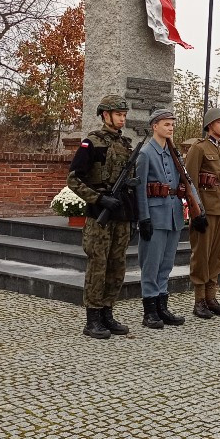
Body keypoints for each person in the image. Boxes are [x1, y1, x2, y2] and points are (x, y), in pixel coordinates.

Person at [68, 95, 138, 339]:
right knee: (98, 265)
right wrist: (98, 198)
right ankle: (93, 318)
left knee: (117, 265)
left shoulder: (127, 144)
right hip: (100, 214)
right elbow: (73, 179)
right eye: (118, 114)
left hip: (121, 214)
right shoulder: (92, 143)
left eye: (124, 115)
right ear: (105, 115)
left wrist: (135, 216)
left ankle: (108, 312)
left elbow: (131, 185)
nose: (122, 118)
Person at [134, 109, 205, 329]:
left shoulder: (173, 153)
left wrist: (199, 210)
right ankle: (150, 310)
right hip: (154, 215)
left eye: (172, 124)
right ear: (154, 126)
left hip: (173, 214)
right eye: (166, 124)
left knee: (166, 263)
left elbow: (188, 181)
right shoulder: (146, 153)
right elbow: (140, 188)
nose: (171, 128)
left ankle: (162, 306)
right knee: (151, 264)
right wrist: (143, 218)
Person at [184, 107, 220, 320]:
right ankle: (199, 300)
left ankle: (211, 297)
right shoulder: (199, 148)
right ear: (209, 125)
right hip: (206, 208)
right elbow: (190, 182)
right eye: (219, 122)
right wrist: (195, 211)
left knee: (218, 254)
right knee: (202, 254)